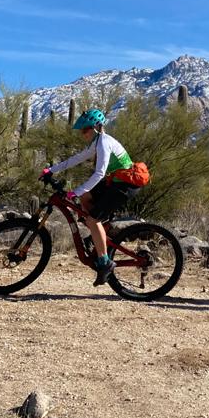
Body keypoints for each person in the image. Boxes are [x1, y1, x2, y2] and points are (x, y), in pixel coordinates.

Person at [41, 109, 140, 286]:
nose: (82, 133)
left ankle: (104, 262)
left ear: (95, 127)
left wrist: (75, 192)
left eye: (84, 129)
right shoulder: (96, 142)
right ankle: (99, 234)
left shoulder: (103, 143)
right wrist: (51, 170)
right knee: (86, 198)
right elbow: (76, 158)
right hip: (115, 182)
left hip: (124, 186)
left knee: (93, 219)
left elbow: (100, 173)